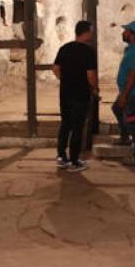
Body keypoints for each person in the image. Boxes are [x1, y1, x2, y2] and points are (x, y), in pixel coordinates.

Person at [54, 20, 98, 172]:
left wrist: (65, 79)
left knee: (65, 124)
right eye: (91, 31)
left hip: (65, 93)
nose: (92, 34)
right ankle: (74, 162)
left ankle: (61, 157)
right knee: (78, 127)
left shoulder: (64, 48)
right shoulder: (88, 51)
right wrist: (94, 89)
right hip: (81, 94)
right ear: (85, 32)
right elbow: (91, 75)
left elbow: (55, 68)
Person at [112, 20, 135, 167]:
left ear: (132, 35)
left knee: (133, 122)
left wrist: (124, 95)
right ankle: (125, 137)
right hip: (130, 91)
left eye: (126, 31)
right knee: (117, 109)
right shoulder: (132, 49)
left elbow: (132, 76)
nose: (123, 33)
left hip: (131, 92)